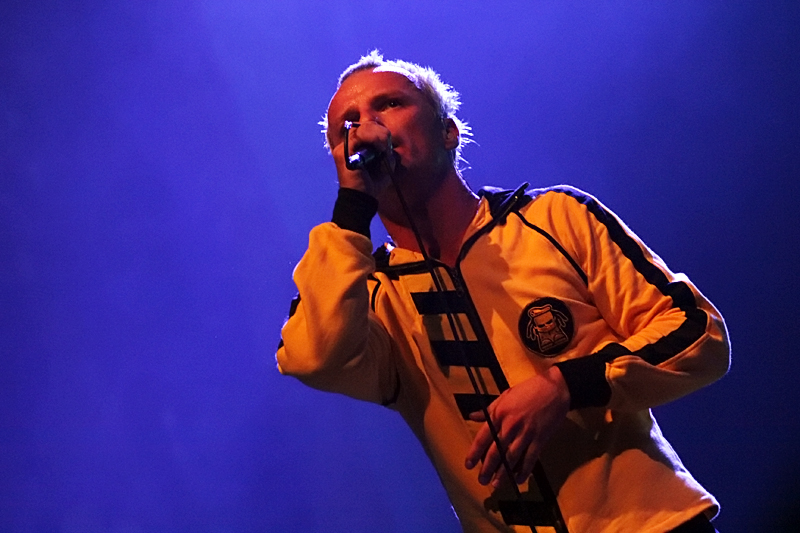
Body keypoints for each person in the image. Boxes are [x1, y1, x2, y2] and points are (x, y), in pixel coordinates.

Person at [276, 50, 730, 533]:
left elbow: (698, 334)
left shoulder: (555, 219)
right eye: (346, 124)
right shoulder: (371, 295)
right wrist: (350, 211)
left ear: (448, 131)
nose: (367, 127)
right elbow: (310, 357)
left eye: (389, 104)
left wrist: (566, 386)